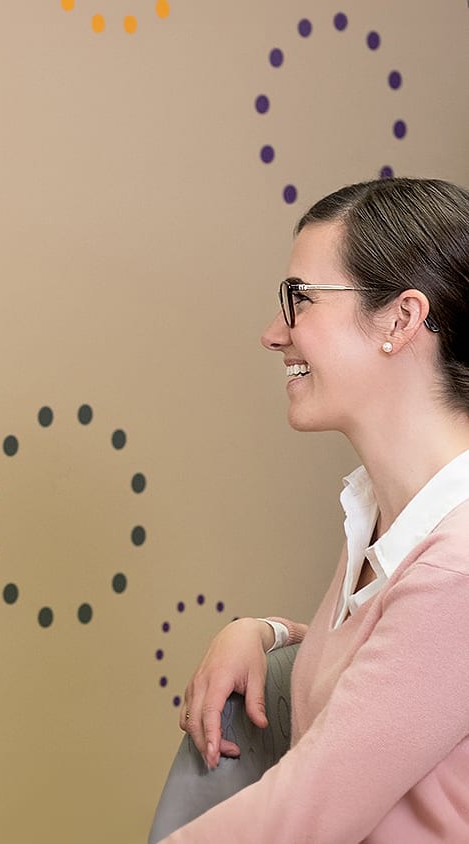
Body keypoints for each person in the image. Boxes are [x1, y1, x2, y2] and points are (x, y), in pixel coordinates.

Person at [164, 177, 469, 842]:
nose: (274, 333)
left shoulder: (456, 570)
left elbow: (299, 817)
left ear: (401, 318)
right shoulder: (388, 521)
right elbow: (393, 678)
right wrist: (267, 633)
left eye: (298, 299)